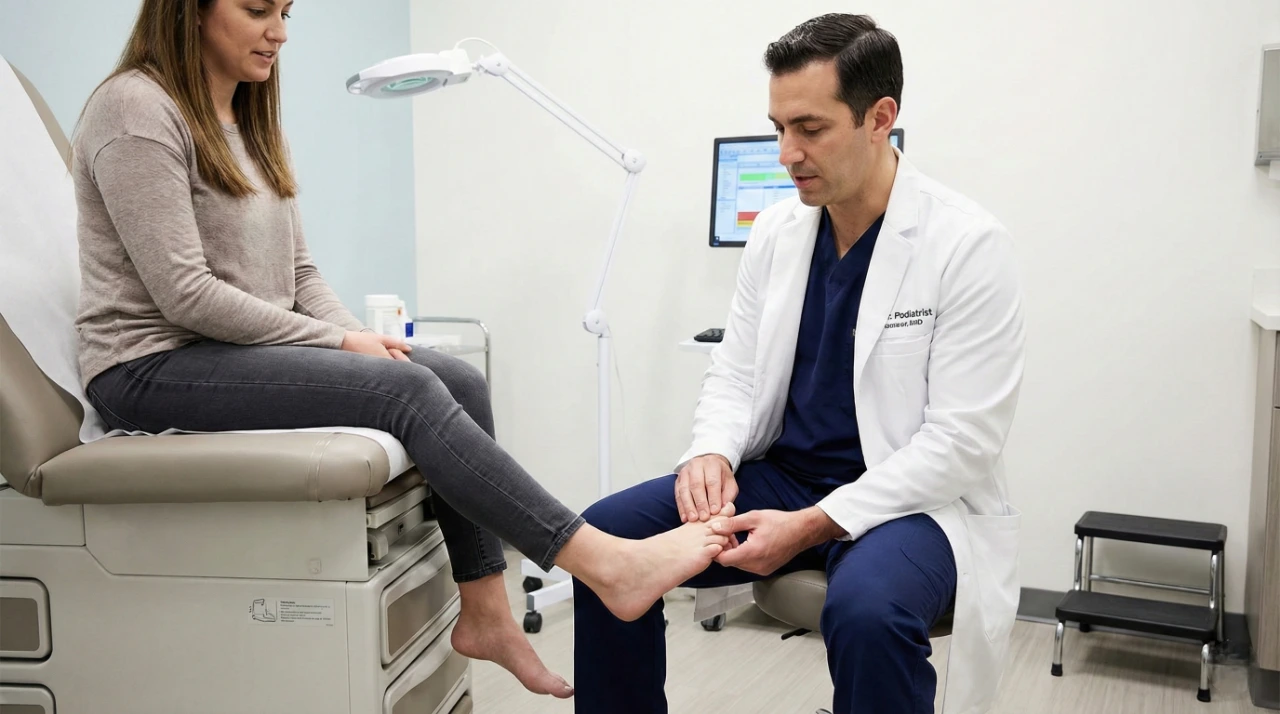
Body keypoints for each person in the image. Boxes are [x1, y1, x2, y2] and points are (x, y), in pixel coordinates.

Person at [71, 0, 735, 701]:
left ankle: (486, 612)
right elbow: (185, 295)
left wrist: (363, 341)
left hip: (226, 353)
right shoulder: (134, 110)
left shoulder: (250, 113)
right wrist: (340, 343)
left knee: (451, 377)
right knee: (405, 390)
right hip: (148, 365)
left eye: (288, 12)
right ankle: (601, 561)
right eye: (257, 9)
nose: (280, 32)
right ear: (187, 11)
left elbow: (299, 276)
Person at [573, 13, 1026, 714]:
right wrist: (711, 454)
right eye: (779, 127)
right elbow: (737, 371)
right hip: (783, 479)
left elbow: (961, 444)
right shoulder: (780, 231)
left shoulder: (966, 245)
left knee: (869, 612)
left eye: (809, 129)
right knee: (602, 542)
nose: (787, 153)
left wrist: (817, 522)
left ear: (880, 118)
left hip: (909, 503)